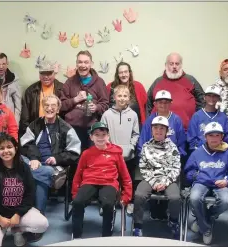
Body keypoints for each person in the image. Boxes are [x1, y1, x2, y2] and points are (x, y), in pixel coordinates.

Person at [0, 135, 49, 247]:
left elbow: (30, 195)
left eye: (9, 147)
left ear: (15, 148)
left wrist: (18, 214)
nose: (6, 151)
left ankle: (16, 230)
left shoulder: (24, 168)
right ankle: (2, 229)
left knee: (42, 224)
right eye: (2, 148)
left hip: (18, 214)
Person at [20, 94, 81, 215]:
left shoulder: (66, 128)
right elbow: (25, 143)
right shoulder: (34, 125)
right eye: (46, 105)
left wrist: (56, 158)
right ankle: (37, 215)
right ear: (43, 107)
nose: (50, 108)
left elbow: (75, 152)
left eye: (53, 105)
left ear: (58, 109)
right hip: (33, 162)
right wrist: (34, 158)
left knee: (45, 173)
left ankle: (36, 214)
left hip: (53, 166)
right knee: (18, 159)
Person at [71, 122, 132, 239]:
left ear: (108, 136)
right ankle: (77, 236)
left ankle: (106, 236)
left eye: (103, 134)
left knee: (108, 204)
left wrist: (127, 195)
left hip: (109, 183)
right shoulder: (86, 154)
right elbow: (78, 175)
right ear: (91, 137)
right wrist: (75, 193)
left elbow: (125, 176)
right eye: (97, 135)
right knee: (78, 202)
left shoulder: (116, 153)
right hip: (89, 182)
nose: (100, 138)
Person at [184, 122, 228, 244]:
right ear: (205, 137)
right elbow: (188, 173)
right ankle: (206, 229)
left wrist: (227, 181)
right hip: (201, 183)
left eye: (217, 135)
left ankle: (203, 219)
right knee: (194, 198)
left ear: (222, 137)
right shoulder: (197, 153)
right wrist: (197, 176)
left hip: (221, 184)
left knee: (226, 200)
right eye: (211, 135)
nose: (214, 138)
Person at [132, 116, 182, 239]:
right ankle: (138, 225)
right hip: (150, 179)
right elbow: (143, 168)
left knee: (175, 197)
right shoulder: (146, 146)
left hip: (168, 179)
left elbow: (176, 168)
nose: (158, 131)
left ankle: (173, 221)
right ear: (151, 130)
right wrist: (154, 183)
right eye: (155, 128)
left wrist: (164, 183)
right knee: (139, 195)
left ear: (166, 131)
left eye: (162, 128)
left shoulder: (173, 147)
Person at [100, 84, 140, 214]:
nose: (122, 98)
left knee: (128, 180)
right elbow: (103, 134)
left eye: (125, 96)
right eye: (119, 95)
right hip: (111, 155)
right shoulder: (107, 114)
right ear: (114, 97)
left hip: (129, 155)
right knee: (110, 180)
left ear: (129, 98)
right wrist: (110, 148)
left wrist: (131, 147)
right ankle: (107, 203)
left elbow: (136, 134)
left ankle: (129, 202)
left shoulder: (133, 115)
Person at [60, 50, 109, 152]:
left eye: (86, 62)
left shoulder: (99, 82)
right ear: (76, 64)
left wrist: (96, 107)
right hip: (72, 127)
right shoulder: (69, 82)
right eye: (80, 62)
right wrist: (75, 100)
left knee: (92, 159)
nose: (83, 65)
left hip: (92, 129)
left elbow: (105, 104)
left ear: (91, 64)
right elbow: (61, 106)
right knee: (74, 159)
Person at [146, 52, 205, 131]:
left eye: (177, 64)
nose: (174, 66)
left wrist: (197, 120)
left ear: (181, 65)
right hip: (160, 131)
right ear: (166, 65)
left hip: (186, 130)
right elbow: (148, 103)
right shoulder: (158, 82)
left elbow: (202, 100)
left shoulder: (190, 80)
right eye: (171, 64)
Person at [19, 60, 64, 138]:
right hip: (36, 131)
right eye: (43, 73)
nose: (46, 76)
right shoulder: (31, 91)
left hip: (57, 132)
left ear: (54, 73)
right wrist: (28, 136)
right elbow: (25, 118)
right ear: (39, 74)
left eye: (49, 73)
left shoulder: (63, 89)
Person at [137, 90, 186, 157]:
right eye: (160, 102)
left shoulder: (176, 120)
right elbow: (142, 143)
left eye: (166, 102)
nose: (163, 105)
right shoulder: (150, 120)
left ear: (171, 103)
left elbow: (181, 143)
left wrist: (175, 157)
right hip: (152, 159)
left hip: (171, 159)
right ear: (155, 104)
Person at [187, 85, 228, 151]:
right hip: (200, 151)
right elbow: (191, 138)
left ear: (218, 98)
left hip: (219, 152)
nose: (211, 98)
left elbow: (226, 139)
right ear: (204, 97)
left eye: (214, 96)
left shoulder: (223, 117)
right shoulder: (197, 116)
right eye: (209, 95)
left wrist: (219, 148)